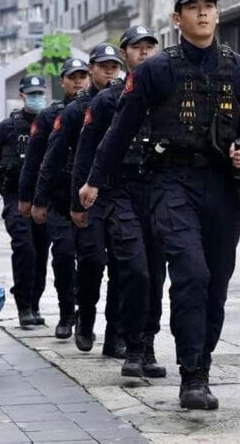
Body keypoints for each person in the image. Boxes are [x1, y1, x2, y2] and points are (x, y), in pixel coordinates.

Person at [79, 0, 240, 410]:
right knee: (191, 274)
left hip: (221, 188)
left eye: (209, 7)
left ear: (217, 15)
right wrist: (93, 182)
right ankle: (191, 376)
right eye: (192, 8)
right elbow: (119, 132)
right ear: (176, 19)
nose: (202, 14)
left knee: (215, 283)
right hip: (171, 183)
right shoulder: (155, 71)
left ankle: (204, 364)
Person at [72, 25, 167, 377]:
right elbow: (86, 153)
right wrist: (80, 200)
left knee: (156, 274)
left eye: (149, 47)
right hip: (119, 194)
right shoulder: (108, 100)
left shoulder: (165, 94)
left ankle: (148, 346)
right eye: (136, 47)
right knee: (134, 270)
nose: (144, 52)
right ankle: (130, 344)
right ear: (125, 54)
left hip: (158, 194)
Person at [34, 43, 126, 359]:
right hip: (87, 198)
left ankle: (115, 334)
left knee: (122, 265)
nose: (110, 72)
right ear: (92, 71)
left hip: (122, 194)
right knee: (92, 261)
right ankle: (84, 317)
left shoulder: (127, 102)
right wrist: (40, 200)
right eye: (104, 66)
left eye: (115, 66)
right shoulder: (74, 111)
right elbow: (52, 156)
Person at [18, 60, 89, 339]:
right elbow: (36, 161)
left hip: (91, 199)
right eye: (73, 77)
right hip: (60, 200)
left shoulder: (102, 106)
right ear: (63, 82)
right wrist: (34, 199)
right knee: (62, 255)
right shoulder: (49, 117)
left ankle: (86, 311)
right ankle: (66, 313)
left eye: (83, 76)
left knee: (92, 259)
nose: (79, 82)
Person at [0, 75, 51, 329]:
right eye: (32, 93)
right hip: (15, 197)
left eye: (40, 93)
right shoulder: (6, 128)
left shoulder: (52, 124)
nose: (37, 98)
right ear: (22, 95)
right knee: (25, 247)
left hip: (43, 199)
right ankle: (23, 307)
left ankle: (35, 302)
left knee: (41, 251)